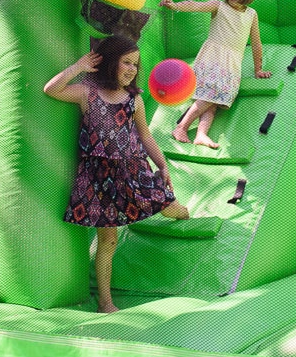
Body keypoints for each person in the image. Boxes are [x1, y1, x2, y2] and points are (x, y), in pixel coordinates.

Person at [44, 35, 190, 313]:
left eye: (135, 64)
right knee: (108, 241)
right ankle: (106, 303)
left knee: (168, 206)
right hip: (101, 178)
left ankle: (183, 211)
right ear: (110, 61)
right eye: (126, 62)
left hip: (134, 169)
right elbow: (51, 89)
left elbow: (145, 136)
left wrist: (162, 164)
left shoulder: (134, 99)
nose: (132, 69)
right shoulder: (87, 93)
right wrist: (78, 66)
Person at [159, 0, 272, 149]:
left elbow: (256, 43)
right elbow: (195, 5)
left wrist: (258, 68)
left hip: (231, 64)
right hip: (212, 59)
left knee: (212, 104)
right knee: (210, 96)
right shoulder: (218, 6)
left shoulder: (252, 14)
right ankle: (181, 127)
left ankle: (201, 134)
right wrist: (175, 5)